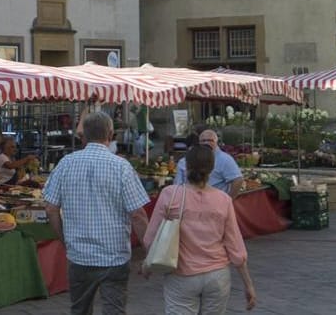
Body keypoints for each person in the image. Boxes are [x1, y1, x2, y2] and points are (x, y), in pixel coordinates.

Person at [44, 111, 151, 315]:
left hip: (79, 255)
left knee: (80, 310)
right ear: (110, 134)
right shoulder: (121, 167)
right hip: (114, 256)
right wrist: (149, 252)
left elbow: (50, 208)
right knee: (114, 310)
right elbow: (138, 214)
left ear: (83, 135)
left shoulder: (66, 163)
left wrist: (65, 240)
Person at [143, 145, 258, 314]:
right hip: (217, 275)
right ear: (212, 169)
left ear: (186, 166)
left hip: (181, 274)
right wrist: (248, 284)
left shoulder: (170, 195)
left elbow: (150, 238)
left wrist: (148, 263)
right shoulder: (224, 200)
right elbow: (235, 246)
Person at [173, 129, 242, 196]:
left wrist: (229, 199)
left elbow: (238, 180)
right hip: (190, 201)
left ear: (216, 142)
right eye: (203, 141)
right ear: (199, 142)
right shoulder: (184, 161)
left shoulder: (225, 159)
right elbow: (177, 185)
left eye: (210, 140)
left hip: (215, 202)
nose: (206, 143)